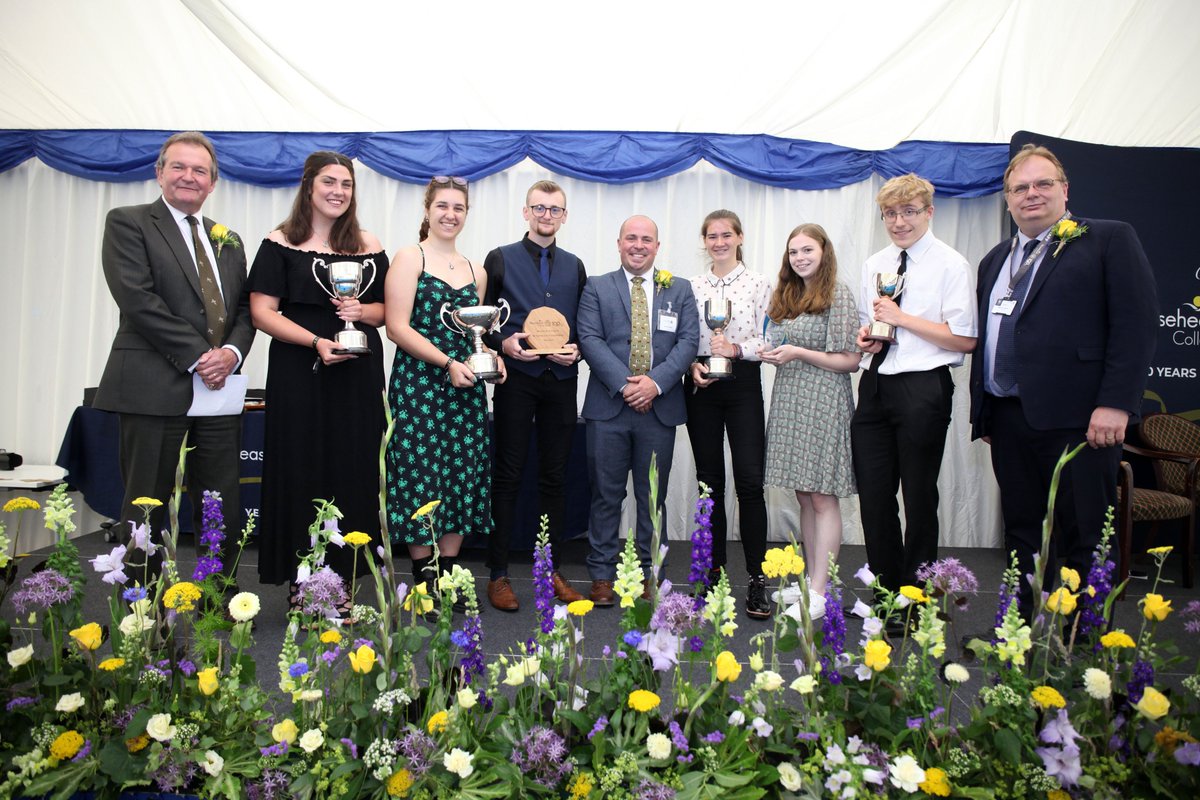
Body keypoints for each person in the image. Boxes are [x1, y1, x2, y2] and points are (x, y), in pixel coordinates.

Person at [969, 144, 1157, 612]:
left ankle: (1086, 643)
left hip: (1081, 420)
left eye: (1042, 184)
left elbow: (1135, 326)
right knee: (1021, 532)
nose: (1031, 194)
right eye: (1019, 188)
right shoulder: (996, 259)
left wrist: (1115, 403)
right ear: (1007, 199)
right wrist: (986, 411)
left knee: (1086, 534)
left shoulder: (1107, 239)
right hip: (1010, 418)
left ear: (1064, 189)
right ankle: (1018, 632)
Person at [93, 131, 254, 579]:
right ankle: (138, 604)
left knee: (219, 501)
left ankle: (218, 597)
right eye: (179, 167)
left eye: (199, 170)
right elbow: (137, 299)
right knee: (146, 502)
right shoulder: (128, 221)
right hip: (152, 385)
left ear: (213, 182)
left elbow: (244, 308)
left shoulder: (229, 240)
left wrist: (232, 354)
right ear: (159, 172)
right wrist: (202, 355)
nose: (189, 177)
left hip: (218, 391)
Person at [246, 151, 388, 602]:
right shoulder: (280, 241)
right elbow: (261, 312)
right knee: (300, 469)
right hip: (299, 369)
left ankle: (341, 584)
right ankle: (302, 583)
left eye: (346, 184)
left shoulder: (367, 242)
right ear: (309, 185)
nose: (337, 192)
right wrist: (314, 342)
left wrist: (361, 311)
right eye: (329, 182)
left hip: (358, 371)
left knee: (353, 469)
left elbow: (386, 311)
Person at [851, 174, 977, 595]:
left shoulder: (950, 264)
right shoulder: (876, 263)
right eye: (890, 213)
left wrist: (902, 319)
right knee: (873, 495)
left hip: (924, 387)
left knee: (919, 498)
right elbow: (881, 326)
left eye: (909, 212)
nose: (899, 221)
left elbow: (964, 338)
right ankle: (886, 593)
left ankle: (917, 594)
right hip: (876, 382)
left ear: (928, 212)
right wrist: (868, 337)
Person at [384, 176, 504, 590]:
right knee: (421, 476)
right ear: (428, 210)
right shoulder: (409, 257)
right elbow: (396, 328)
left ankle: (448, 579)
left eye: (459, 208)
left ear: (466, 215)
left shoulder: (477, 270)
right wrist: (447, 361)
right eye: (443, 207)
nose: (450, 215)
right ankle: (423, 583)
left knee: (461, 477)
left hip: (464, 389)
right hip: (419, 385)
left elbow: (477, 335)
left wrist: (492, 359)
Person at [577, 215, 699, 605]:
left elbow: (688, 341)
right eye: (631, 237)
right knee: (605, 496)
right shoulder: (596, 286)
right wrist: (626, 385)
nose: (639, 245)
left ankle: (652, 573)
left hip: (659, 409)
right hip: (609, 407)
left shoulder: (678, 289)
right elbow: (590, 338)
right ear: (618, 243)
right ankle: (601, 575)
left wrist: (655, 384)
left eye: (647, 239)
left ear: (658, 247)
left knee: (652, 497)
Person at [481, 180, 588, 611]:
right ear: (525, 212)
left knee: (555, 478)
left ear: (564, 216)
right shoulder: (499, 258)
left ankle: (550, 570)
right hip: (516, 380)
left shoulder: (575, 265)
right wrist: (503, 341)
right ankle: (498, 574)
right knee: (507, 475)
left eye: (554, 209)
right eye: (539, 208)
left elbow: (582, 323)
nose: (546, 215)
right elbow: (483, 320)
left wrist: (577, 346)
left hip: (560, 382)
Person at [761, 224, 861, 612]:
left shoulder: (839, 293)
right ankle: (810, 581)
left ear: (824, 251)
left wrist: (797, 352)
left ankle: (822, 588)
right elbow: (776, 340)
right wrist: (769, 351)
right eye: (793, 252)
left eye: (807, 250)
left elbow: (851, 360)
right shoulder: (789, 294)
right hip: (790, 400)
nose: (800, 258)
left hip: (823, 400)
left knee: (822, 495)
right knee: (804, 493)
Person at [685, 210, 773, 618]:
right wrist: (692, 366)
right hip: (702, 385)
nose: (719, 242)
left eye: (726, 235)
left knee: (751, 483)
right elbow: (684, 339)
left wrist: (737, 350)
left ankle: (757, 579)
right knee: (709, 484)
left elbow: (769, 339)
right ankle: (711, 572)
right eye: (712, 236)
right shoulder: (692, 286)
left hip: (742, 383)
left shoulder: (759, 284)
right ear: (703, 241)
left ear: (739, 237)